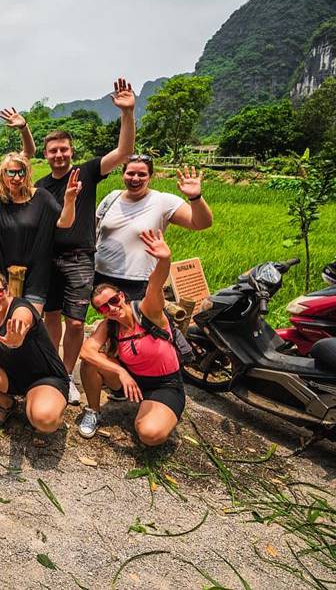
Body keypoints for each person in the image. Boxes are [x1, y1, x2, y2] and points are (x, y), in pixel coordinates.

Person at [34, 77, 137, 405]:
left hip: (79, 257)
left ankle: (66, 375)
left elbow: (124, 152)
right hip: (48, 258)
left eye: (64, 149)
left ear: (71, 151)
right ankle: (53, 370)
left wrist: (127, 113)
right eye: (53, 151)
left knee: (75, 321)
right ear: (46, 154)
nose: (59, 155)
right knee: (50, 317)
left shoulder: (87, 172)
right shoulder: (40, 185)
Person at [79, 230, 185, 445]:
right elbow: (86, 351)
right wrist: (120, 372)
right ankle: (94, 411)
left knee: (149, 435)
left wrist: (164, 260)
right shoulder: (109, 326)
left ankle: (160, 410)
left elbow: (155, 285)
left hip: (164, 384)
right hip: (132, 378)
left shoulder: (148, 312)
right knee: (90, 363)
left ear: (122, 296)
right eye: (102, 308)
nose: (111, 308)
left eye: (114, 300)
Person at [0, 271, 70, 432]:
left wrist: (16, 340)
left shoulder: (21, 308)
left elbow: (22, 319)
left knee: (43, 419)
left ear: (7, 291)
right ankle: (7, 404)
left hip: (44, 377)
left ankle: (41, 405)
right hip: (10, 375)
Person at [94, 157, 213, 300]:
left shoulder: (162, 201)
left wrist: (195, 197)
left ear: (151, 176)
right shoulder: (112, 197)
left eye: (142, 174)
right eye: (130, 173)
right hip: (101, 277)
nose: (135, 178)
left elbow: (201, 223)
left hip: (137, 281)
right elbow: (93, 230)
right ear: (123, 174)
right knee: (110, 320)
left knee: (135, 320)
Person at [0, 152, 81, 303]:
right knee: (5, 321)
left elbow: (65, 222)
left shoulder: (41, 197)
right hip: (3, 273)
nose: (16, 178)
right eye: (11, 172)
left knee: (26, 321)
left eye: (21, 172)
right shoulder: (0, 201)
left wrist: (70, 200)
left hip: (36, 275)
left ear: (27, 173)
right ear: (3, 174)